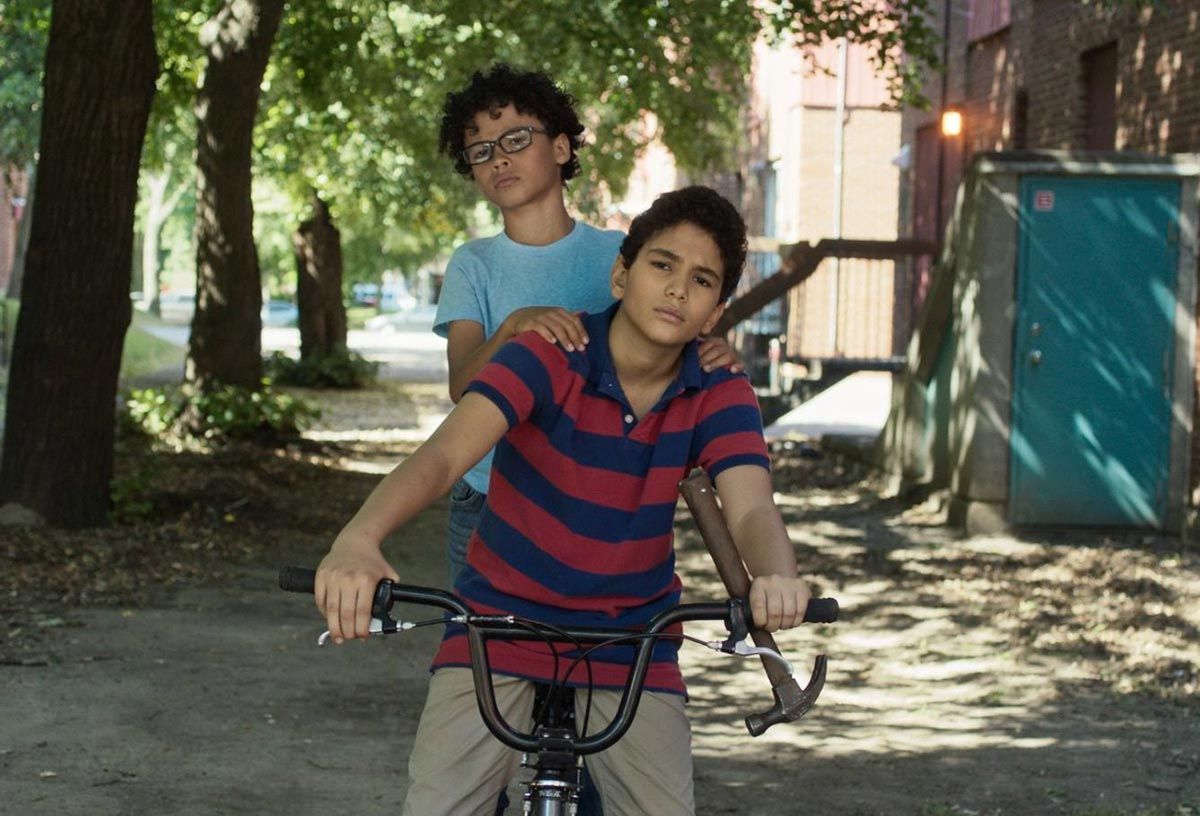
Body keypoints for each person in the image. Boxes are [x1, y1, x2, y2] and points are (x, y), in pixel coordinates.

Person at [315, 186, 813, 816]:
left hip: (634, 637)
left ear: (715, 312)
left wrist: (776, 576)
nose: (677, 289)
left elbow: (751, 508)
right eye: (662, 265)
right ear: (621, 274)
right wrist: (358, 539)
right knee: (441, 805)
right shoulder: (549, 354)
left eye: (702, 280)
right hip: (498, 624)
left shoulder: (719, 389)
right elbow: (442, 459)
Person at [433, 63, 740, 588]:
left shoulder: (618, 254)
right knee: (480, 632)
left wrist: (715, 351)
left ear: (560, 147)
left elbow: (670, 336)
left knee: (596, 633)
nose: (498, 157)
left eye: (515, 139)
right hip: (488, 496)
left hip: (597, 496)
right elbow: (463, 385)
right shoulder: (472, 264)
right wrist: (513, 328)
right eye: (480, 150)